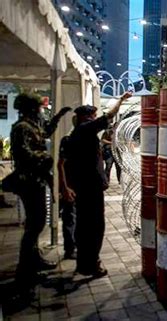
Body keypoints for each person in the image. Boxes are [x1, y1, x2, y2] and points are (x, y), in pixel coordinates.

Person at [9, 93, 71, 295]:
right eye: (39, 107)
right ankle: (24, 272)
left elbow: (46, 132)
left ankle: (34, 261)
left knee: (38, 223)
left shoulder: (32, 126)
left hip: (37, 181)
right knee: (34, 226)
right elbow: (22, 153)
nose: (41, 110)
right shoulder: (21, 128)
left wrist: (58, 116)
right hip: (29, 181)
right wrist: (43, 157)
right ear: (31, 108)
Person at [67, 92, 131, 278]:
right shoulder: (84, 130)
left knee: (85, 225)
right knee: (94, 226)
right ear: (86, 118)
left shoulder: (77, 134)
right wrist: (120, 100)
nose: (96, 119)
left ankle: (84, 262)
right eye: (93, 116)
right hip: (89, 187)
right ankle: (91, 263)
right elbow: (108, 116)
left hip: (84, 186)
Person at [58, 116, 77, 260]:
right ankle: (70, 249)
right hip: (71, 185)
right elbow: (61, 164)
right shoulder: (69, 140)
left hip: (82, 187)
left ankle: (75, 246)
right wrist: (64, 187)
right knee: (70, 217)